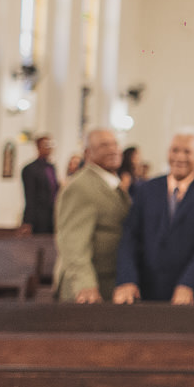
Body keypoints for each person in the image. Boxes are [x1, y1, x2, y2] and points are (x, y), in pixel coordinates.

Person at [114, 127, 194, 304]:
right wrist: (127, 279)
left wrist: (188, 282)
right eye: (175, 150)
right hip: (147, 290)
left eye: (187, 152)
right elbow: (130, 236)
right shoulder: (147, 189)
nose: (179, 157)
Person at [53, 128, 130, 302]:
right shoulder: (80, 187)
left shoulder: (110, 183)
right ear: (88, 153)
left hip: (108, 279)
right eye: (104, 145)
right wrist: (84, 283)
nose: (113, 150)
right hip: (87, 286)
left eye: (115, 144)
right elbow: (72, 242)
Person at [20, 134, 57, 234]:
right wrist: (27, 221)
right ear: (38, 147)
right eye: (46, 145)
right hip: (38, 217)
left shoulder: (51, 168)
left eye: (50, 145)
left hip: (52, 216)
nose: (49, 148)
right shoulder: (30, 169)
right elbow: (29, 196)